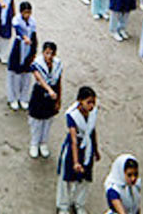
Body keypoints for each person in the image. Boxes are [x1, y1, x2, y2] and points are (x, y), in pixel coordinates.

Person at [56, 86, 100, 214]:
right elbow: (74, 140)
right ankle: (63, 205)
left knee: (85, 178)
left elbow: (92, 131)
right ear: (80, 101)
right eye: (89, 102)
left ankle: (79, 203)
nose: (91, 105)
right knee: (66, 179)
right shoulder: (72, 115)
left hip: (88, 148)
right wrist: (76, 161)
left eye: (93, 102)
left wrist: (96, 150)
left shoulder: (93, 112)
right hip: (73, 150)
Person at [27, 42, 62, 159]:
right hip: (39, 95)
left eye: (52, 53)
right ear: (43, 53)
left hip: (52, 96)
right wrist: (49, 90)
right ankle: (34, 143)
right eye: (47, 53)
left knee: (48, 121)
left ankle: (43, 143)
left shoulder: (58, 64)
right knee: (36, 122)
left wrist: (58, 100)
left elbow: (59, 82)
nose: (49, 56)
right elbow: (39, 79)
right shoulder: (37, 63)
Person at [5, 2, 36, 110]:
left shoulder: (32, 22)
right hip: (19, 49)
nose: (27, 15)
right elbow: (18, 30)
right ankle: (13, 98)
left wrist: (33, 51)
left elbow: (34, 36)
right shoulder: (16, 20)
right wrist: (24, 37)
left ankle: (24, 98)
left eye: (29, 12)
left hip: (28, 49)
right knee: (15, 75)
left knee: (26, 75)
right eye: (25, 12)